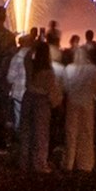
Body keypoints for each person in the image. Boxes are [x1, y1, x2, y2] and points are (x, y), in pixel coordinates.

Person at [19, 42, 60, 172]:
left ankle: (24, 162)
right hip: (41, 102)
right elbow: (53, 92)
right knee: (41, 135)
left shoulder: (30, 66)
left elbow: (26, 57)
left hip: (28, 98)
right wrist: (56, 104)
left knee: (26, 132)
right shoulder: (48, 71)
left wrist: (33, 46)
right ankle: (40, 164)